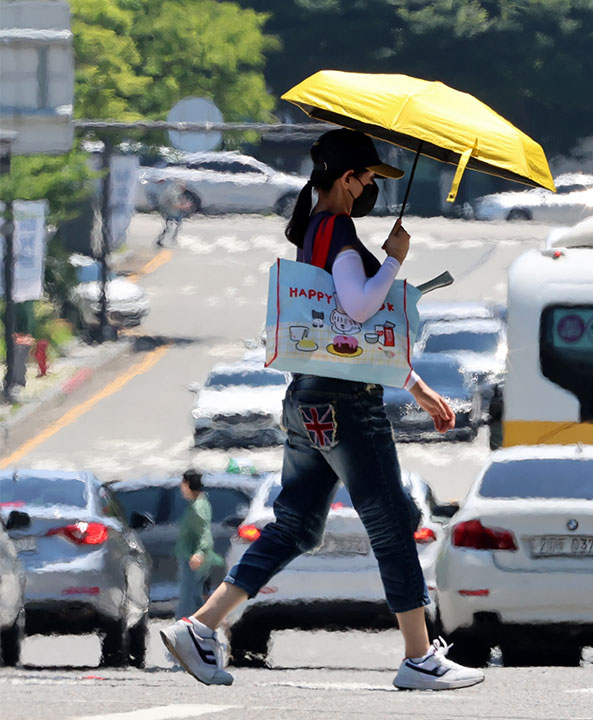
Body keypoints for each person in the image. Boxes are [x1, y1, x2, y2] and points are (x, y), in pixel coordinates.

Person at [160, 129, 484, 691]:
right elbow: (359, 310)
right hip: (346, 406)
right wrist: (392, 260)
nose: (369, 189)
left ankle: (201, 624)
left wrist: (415, 384)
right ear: (344, 177)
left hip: (308, 399)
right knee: (392, 524)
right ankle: (419, 656)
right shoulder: (337, 231)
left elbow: (339, 338)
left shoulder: (314, 231)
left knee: (297, 528)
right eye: (366, 178)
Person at [175, 469, 221, 620]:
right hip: (193, 560)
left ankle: (183, 635)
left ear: (187, 484)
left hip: (193, 561)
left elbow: (204, 533)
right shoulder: (199, 503)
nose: (181, 488)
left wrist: (199, 553)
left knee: (189, 604)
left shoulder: (198, 507)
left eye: (182, 484)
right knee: (199, 600)